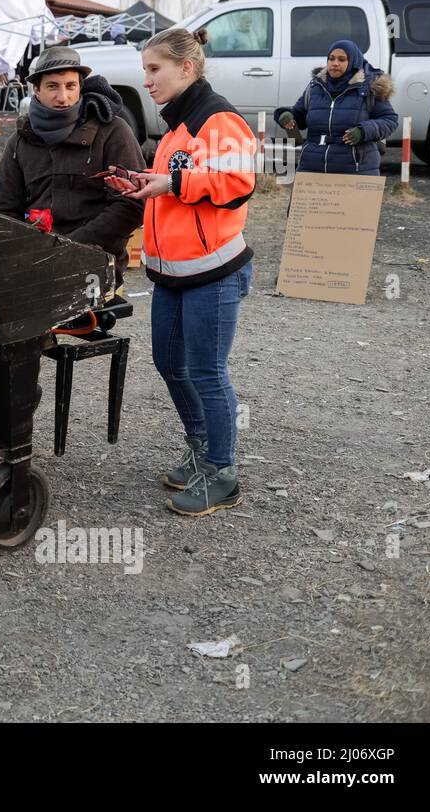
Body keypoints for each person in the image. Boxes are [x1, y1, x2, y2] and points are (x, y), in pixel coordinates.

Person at [104, 26, 255, 516]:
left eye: (154, 69)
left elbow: (236, 183)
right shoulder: (174, 129)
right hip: (171, 273)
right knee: (170, 364)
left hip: (213, 272)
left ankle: (222, 471)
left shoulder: (220, 120)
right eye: (144, 70)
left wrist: (170, 182)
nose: (146, 81)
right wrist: (147, 184)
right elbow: (177, 186)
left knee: (208, 372)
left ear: (185, 68)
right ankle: (199, 449)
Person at [0, 46, 145, 412]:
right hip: (33, 257)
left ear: (81, 87)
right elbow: (3, 210)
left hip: (95, 263)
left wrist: (66, 249)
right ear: (35, 90)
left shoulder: (112, 131)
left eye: (70, 86)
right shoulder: (20, 140)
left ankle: (15, 395)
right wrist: (14, 254)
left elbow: (131, 205)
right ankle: (1, 388)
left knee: (16, 302)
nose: (63, 97)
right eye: (53, 87)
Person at [275, 39, 397, 174]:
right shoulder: (316, 86)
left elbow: (390, 120)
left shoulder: (370, 87)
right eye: (331, 59)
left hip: (356, 170)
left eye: (342, 59)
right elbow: (299, 116)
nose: (335, 63)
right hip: (312, 167)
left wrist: (363, 131)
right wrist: (285, 115)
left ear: (353, 62)